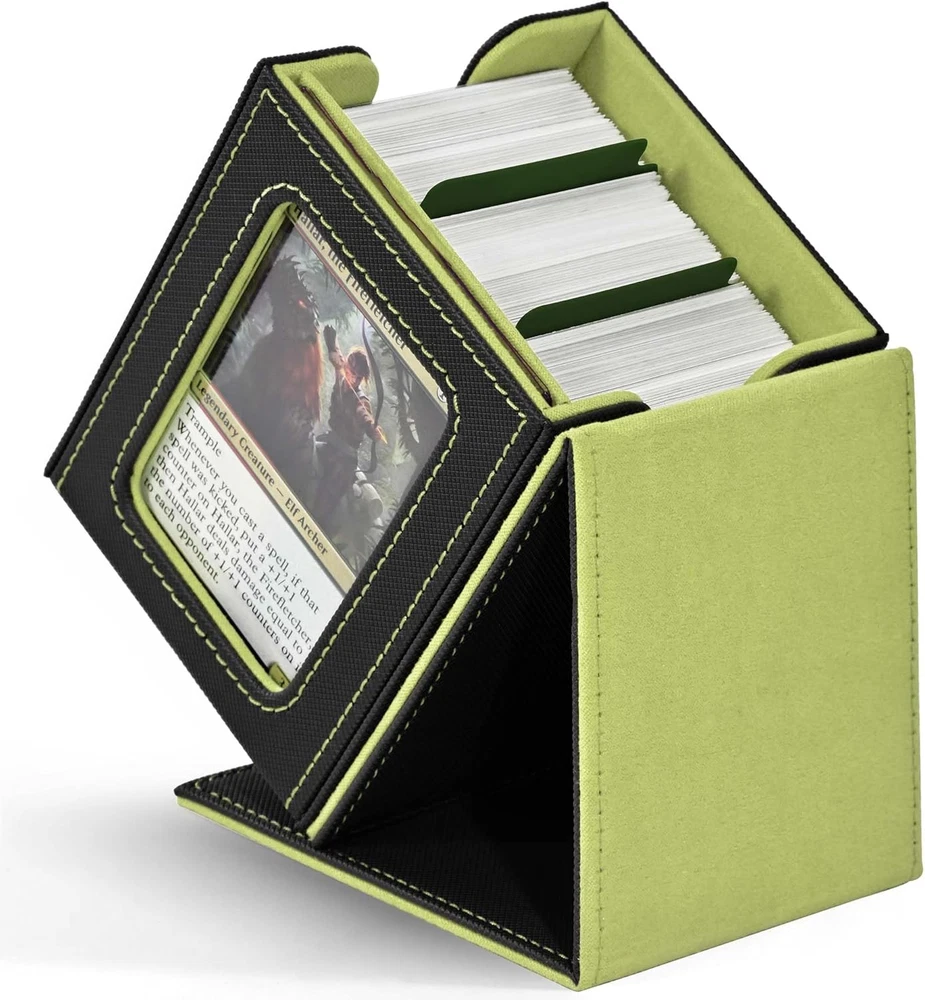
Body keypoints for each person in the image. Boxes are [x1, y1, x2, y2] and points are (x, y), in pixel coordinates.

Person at [313, 324, 386, 531]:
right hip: (329, 443)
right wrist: (331, 343)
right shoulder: (341, 377)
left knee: (325, 500)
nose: (352, 377)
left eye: (357, 376)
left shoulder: (361, 401)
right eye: (351, 371)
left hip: (344, 458)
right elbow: (337, 358)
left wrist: (372, 429)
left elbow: (364, 415)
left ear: (362, 378)